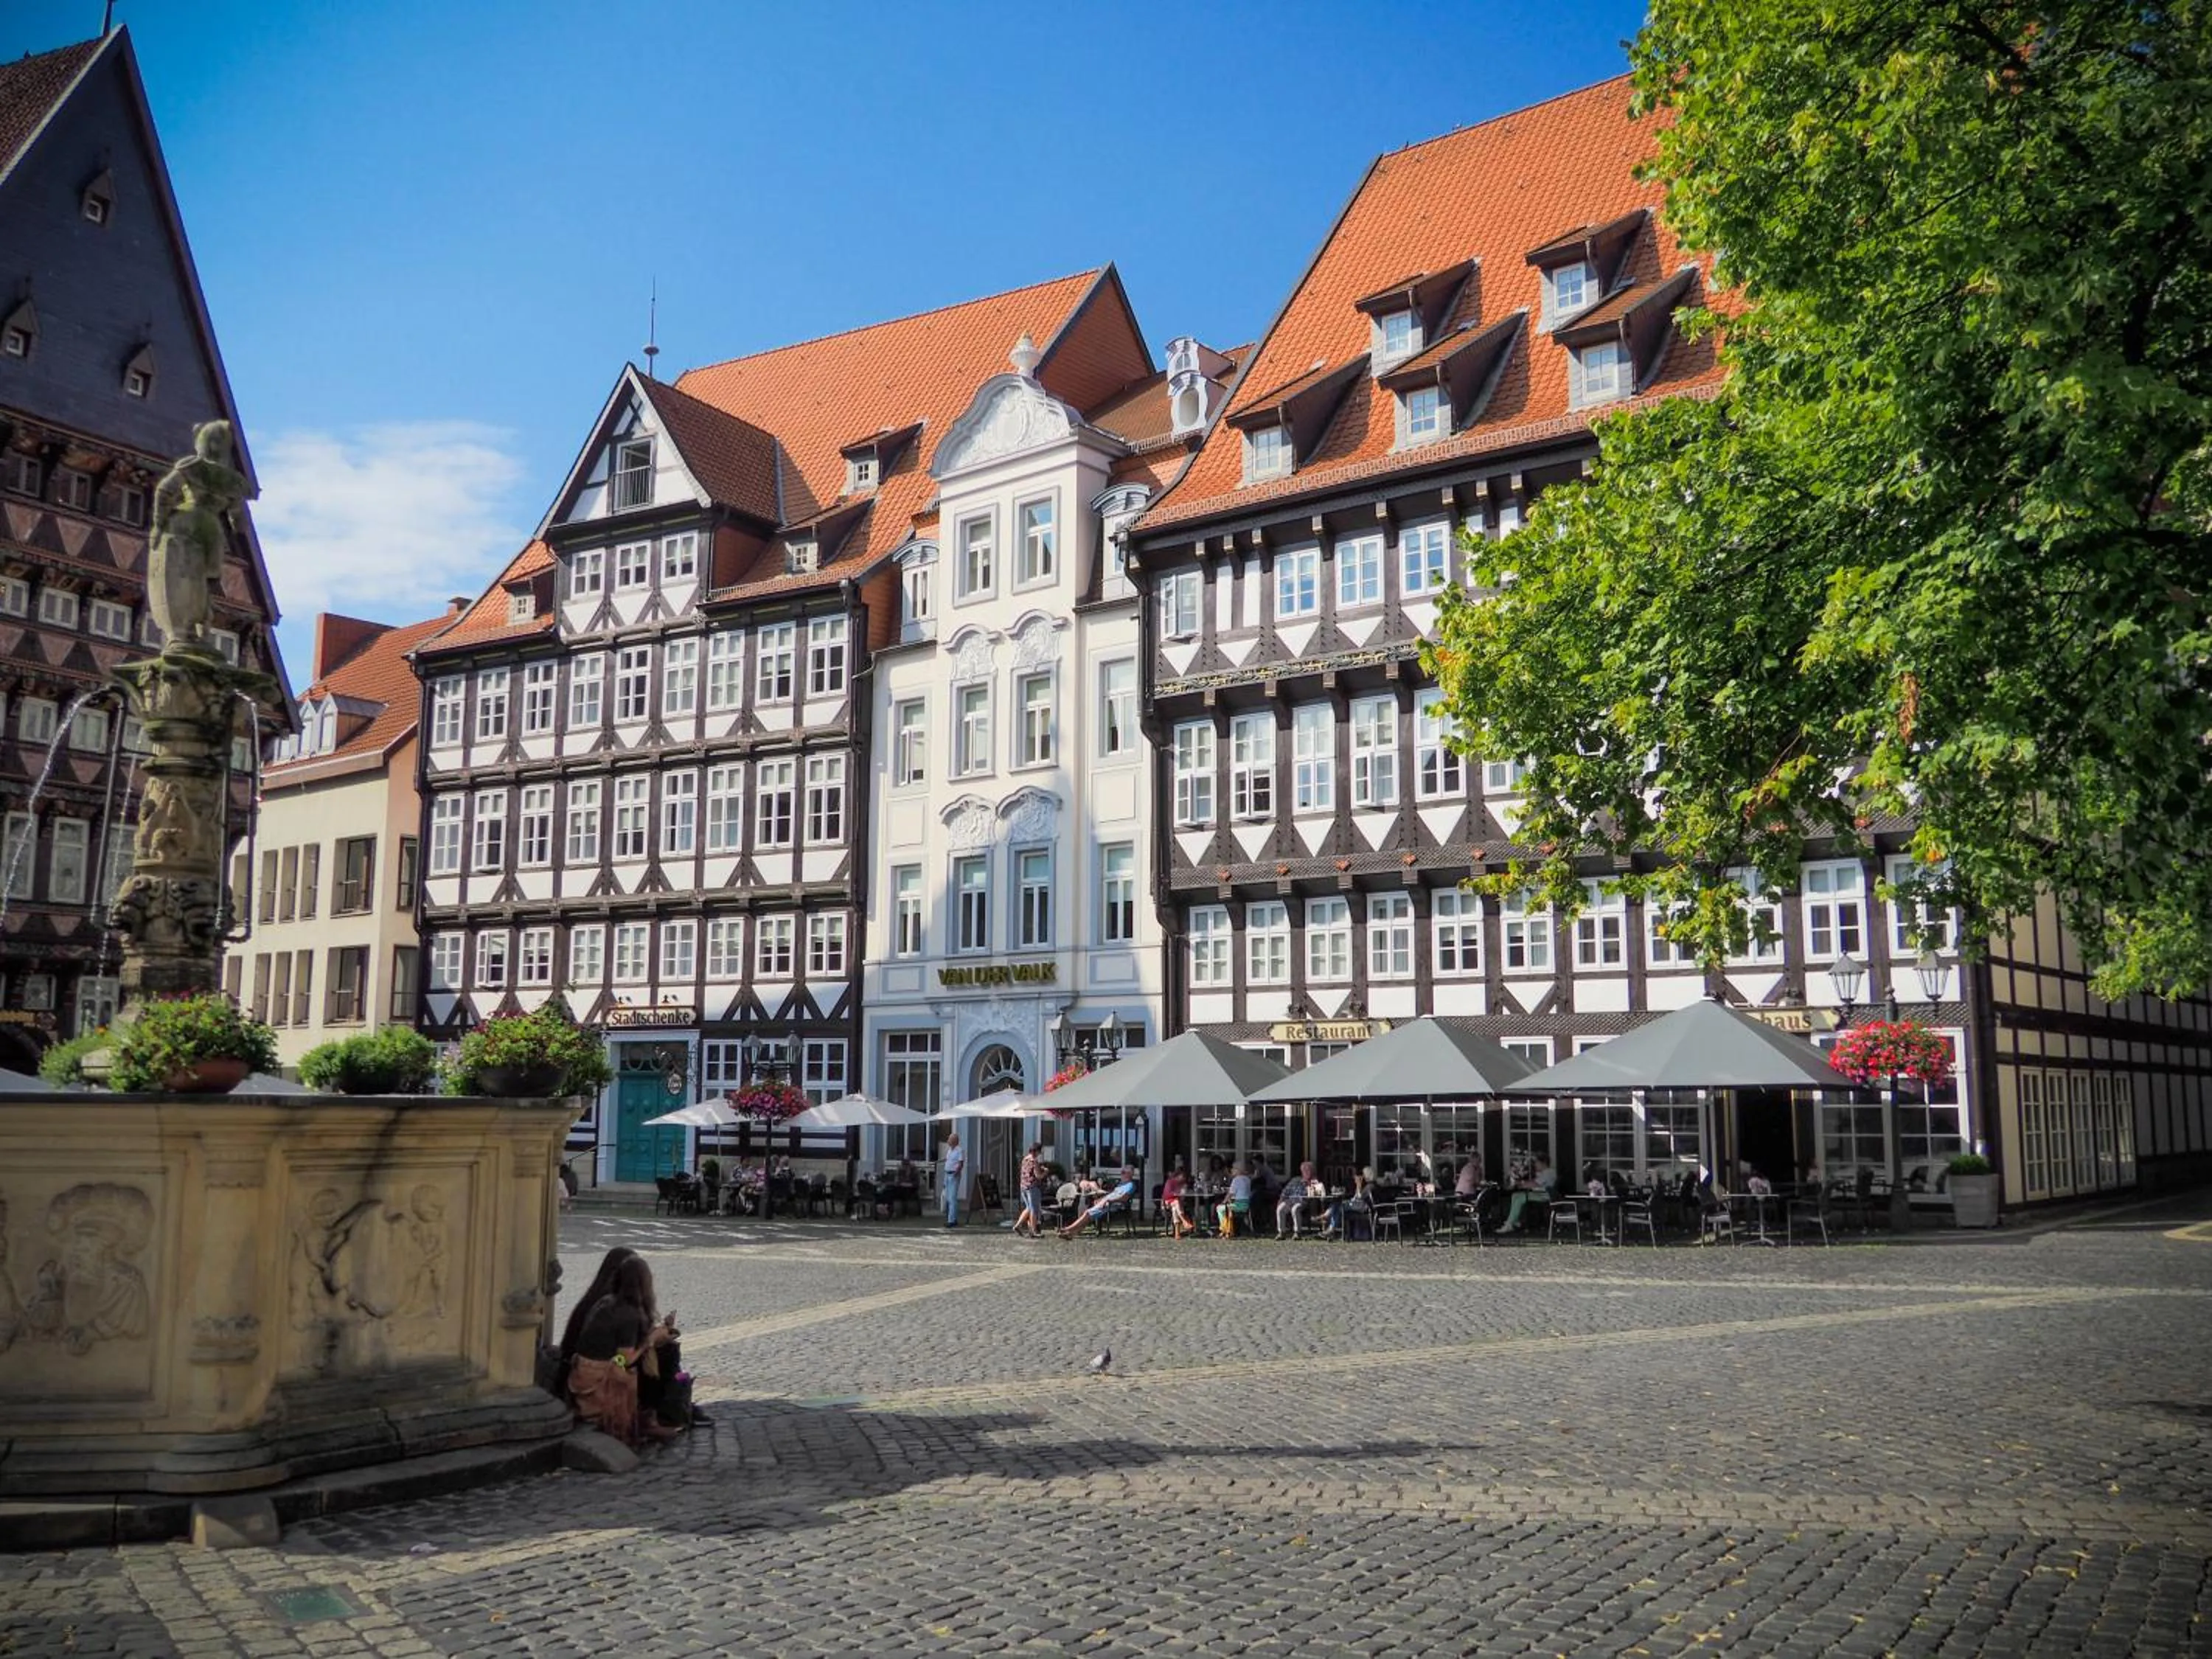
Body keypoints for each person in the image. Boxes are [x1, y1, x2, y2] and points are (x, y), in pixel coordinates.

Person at [565, 1256, 682, 1447]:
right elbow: (623, 1360)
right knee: (665, 1356)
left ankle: (659, 1409)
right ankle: (656, 1413)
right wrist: (650, 1341)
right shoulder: (628, 1314)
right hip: (601, 1376)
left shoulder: (607, 1302)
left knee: (660, 1354)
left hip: (584, 1369)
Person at [1060, 1166, 1138, 1239]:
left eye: (1123, 1172)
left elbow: (1124, 1198)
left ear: (1129, 1174)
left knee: (1087, 1213)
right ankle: (1071, 1233)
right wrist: (1102, 1199)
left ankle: (1068, 1229)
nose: (1121, 1174)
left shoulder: (1130, 1185)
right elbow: (1112, 1195)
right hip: (1106, 1203)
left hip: (1113, 1206)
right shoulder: (1121, 1185)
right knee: (1087, 1212)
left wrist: (1109, 1201)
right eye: (1122, 1172)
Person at [1500, 1156, 1557, 1234]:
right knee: (1516, 1195)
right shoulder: (1543, 1173)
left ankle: (1509, 1224)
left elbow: (1535, 1184)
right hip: (1538, 1194)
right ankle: (1515, 1220)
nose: (1535, 1165)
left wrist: (1519, 1183)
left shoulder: (1549, 1172)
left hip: (1544, 1196)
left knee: (1520, 1198)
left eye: (1537, 1163)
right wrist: (1521, 1184)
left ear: (1543, 1163)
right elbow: (1533, 1183)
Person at [1276, 1161, 1321, 1239]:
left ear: (1312, 1171)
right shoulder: (1295, 1180)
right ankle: (1282, 1232)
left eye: (1308, 1170)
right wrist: (1281, 1199)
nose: (1306, 1172)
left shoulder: (1315, 1182)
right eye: (1304, 1170)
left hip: (1303, 1201)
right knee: (1280, 1209)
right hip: (1291, 1200)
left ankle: (1297, 1233)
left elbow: (1315, 1196)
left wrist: (1309, 1185)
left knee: (1295, 1209)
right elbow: (1285, 1191)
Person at [1012, 1144, 1046, 1239]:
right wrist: (1045, 1172)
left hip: (1023, 1187)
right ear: (1037, 1151)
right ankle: (1033, 1231)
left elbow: (1027, 1172)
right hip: (1033, 1187)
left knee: (1029, 1208)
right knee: (1034, 1209)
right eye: (1040, 1151)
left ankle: (1018, 1226)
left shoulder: (1025, 1160)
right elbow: (1038, 1176)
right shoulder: (1034, 1161)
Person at [1162, 1161, 1195, 1239]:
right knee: (1176, 1203)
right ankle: (1184, 1221)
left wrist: (1184, 1190)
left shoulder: (1183, 1184)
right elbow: (1167, 1195)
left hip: (1178, 1204)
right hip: (1167, 1203)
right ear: (1178, 1175)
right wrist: (1176, 1194)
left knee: (1175, 1209)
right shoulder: (1170, 1182)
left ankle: (1177, 1234)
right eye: (1183, 1176)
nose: (1184, 1178)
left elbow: (1183, 1197)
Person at [1219, 1161, 1253, 1238]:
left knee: (1220, 1209)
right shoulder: (1248, 1179)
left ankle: (1225, 1228)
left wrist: (1224, 1202)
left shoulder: (1236, 1180)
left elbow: (1230, 1194)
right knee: (1228, 1207)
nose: (1231, 1171)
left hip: (1238, 1205)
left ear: (1238, 1170)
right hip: (1246, 1204)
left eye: (1233, 1169)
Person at [940, 1133, 965, 1226]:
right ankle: (949, 1218)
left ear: (955, 1141)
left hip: (953, 1175)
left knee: (952, 1198)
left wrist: (956, 1172)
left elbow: (961, 1163)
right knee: (947, 1197)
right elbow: (948, 1161)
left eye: (950, 1139)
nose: (948, 1141)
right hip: (947, 1174)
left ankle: (952, 1220)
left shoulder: (959, 1150)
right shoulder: (949, 1150)